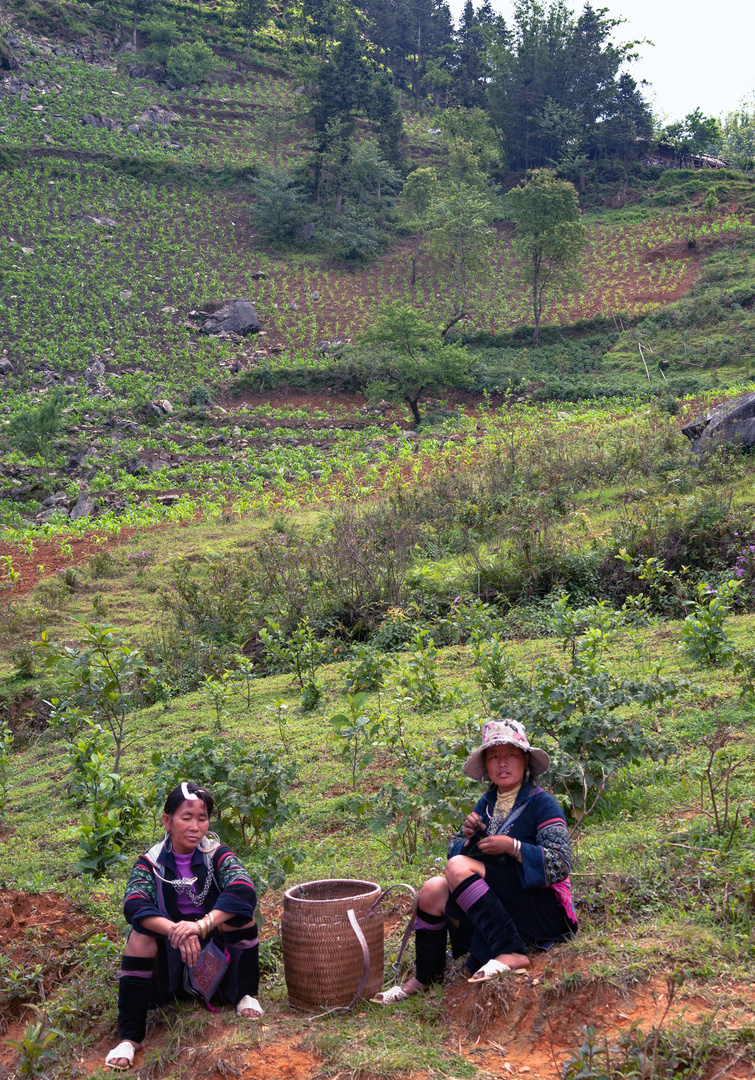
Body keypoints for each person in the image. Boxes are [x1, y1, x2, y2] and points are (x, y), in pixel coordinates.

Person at [373, 719, 577, 1002]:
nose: (502, 763)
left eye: (510, 755)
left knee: (456, 867)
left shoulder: (543, 804)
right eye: (494, 756)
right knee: (432, 889)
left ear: (525, 760)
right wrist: (468, 839)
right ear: (486, 764)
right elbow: (455, 851)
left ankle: (512, 951)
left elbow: (560, 864)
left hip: (541, 912)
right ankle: (425, 976)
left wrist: (513, 847)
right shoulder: (487, 803)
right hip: (499, 908)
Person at [105, 782, 263, 1070]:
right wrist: (176, 930)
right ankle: (130, 1037)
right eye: (186, 818)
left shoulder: (216, 855)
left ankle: (243, 994)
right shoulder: (150, 863)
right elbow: (135, 903)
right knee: (140, 937)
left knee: (242, 915)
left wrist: (201, 926)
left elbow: (243, 888)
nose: (195, 827)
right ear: (167, 821)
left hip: (214, 950)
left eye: (202, 819)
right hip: (172, 958)